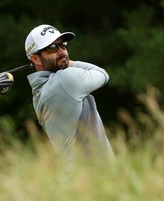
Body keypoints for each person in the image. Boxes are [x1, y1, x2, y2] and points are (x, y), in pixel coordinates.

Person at [25, 24, 114, 163]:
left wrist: (60, 60)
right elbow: (102, 74)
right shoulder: (65, 80)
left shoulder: (39, 93)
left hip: (77, 178)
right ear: (35, 59)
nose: (62, 51)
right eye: (52, 48)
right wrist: (67, 62)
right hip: (92, 175)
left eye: (63, 45)